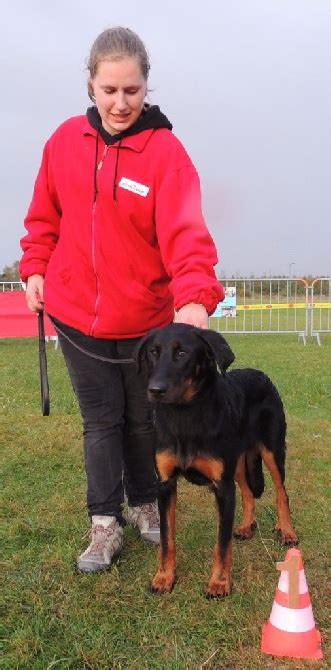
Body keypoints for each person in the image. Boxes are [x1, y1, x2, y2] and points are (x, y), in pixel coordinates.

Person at [19, 26, 224, 574]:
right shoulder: (64, 141)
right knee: (102, 421)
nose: (120, 102)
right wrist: (35, 266)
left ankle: (146, 505)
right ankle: (104, 524)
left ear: (146, 86)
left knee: (143, 421)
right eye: (109, 90)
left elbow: (186, 233)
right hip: (76, 316)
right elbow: (44, 216)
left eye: (131, 90)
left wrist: (194, 297)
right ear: (91, 85)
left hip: (145, 324)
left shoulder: (165, 153)